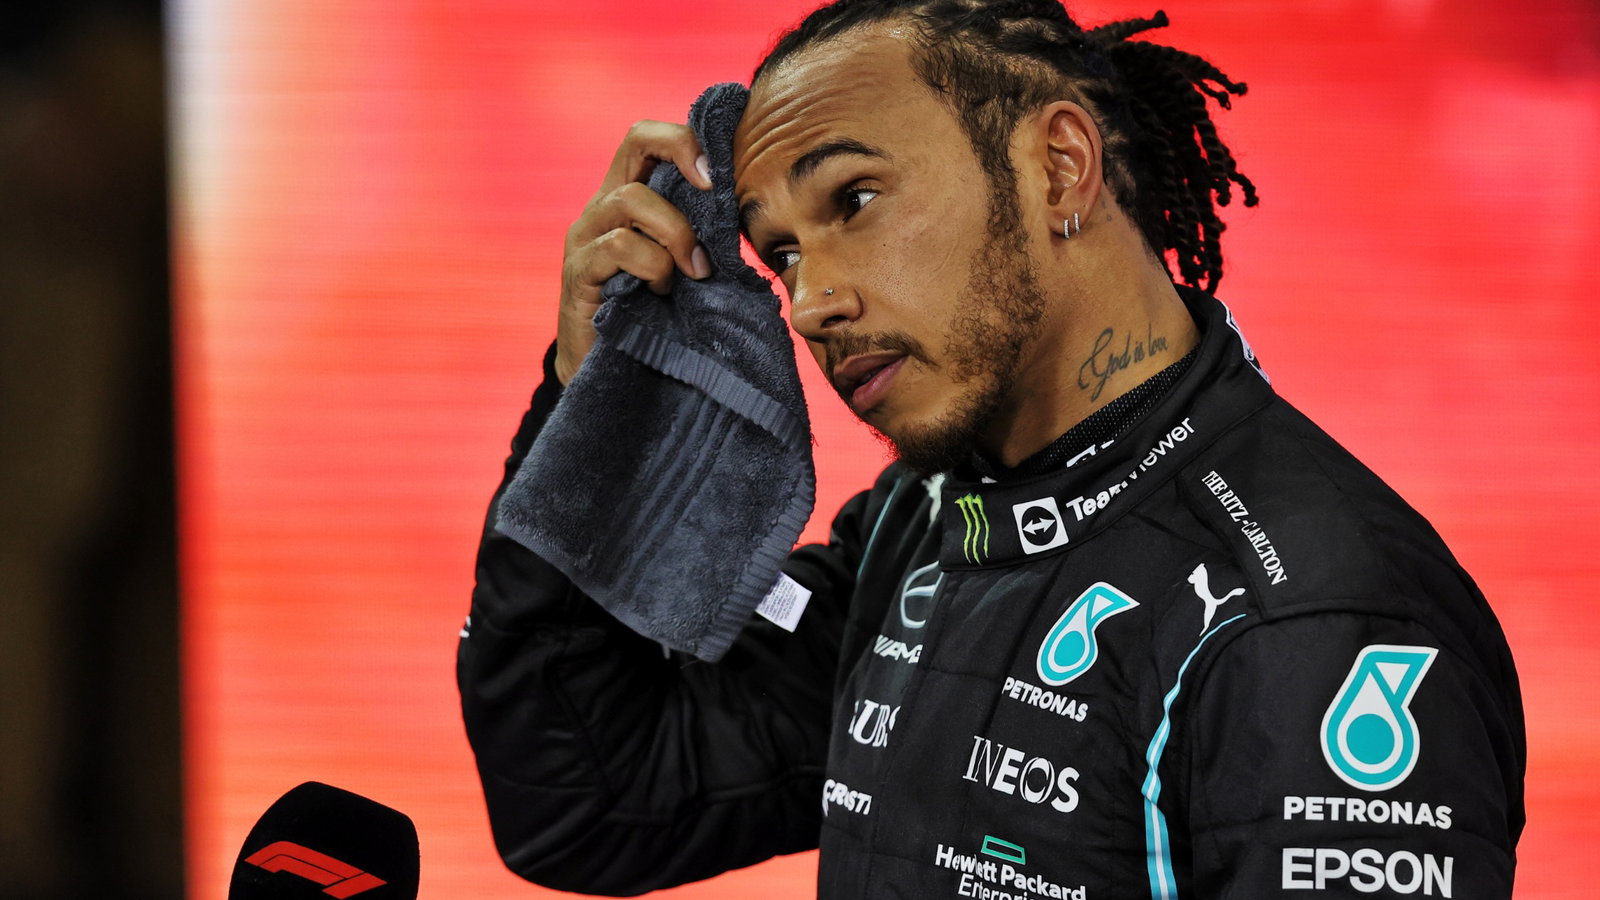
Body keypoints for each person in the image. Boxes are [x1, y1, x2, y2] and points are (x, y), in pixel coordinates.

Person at [458, 1, 1525, 896]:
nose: (811, 302)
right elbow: (590, 805)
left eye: (854, 200)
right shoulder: (923, 523)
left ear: (1059, 168)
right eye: (780, 254)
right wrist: (591, 406)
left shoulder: (1310, 618)